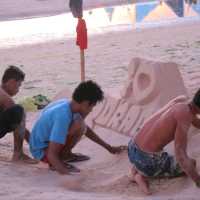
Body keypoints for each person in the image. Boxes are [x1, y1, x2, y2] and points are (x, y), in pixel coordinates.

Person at [30, 80, 127, 174]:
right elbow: (52, 154)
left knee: (80, 124)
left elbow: (85, 129)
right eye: (91, 106)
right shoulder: (62, 116)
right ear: (85, 103)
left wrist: (109, 148)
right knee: (79, 124)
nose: (91, 110)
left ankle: (65, 155)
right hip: (42, 151)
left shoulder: (68, 105)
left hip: (43, 144)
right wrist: (65, 172)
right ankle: (56, 161)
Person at [128, 92, 200, 195]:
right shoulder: (185, 116)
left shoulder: (181, 101)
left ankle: (136, 168)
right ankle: (140, 176)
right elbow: (180, 154)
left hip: (132, 147)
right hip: (147, 159)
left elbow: (195, 120)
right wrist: (197, 181)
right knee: (191, 163)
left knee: (153, 149)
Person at [0, 65, 34, 162]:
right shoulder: (5, 98)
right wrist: (36, 145)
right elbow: (19, 123)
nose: (18, 90)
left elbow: (19, 126)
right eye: (18, 85)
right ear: (11, 82)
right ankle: (18, 154)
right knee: (19, 111)